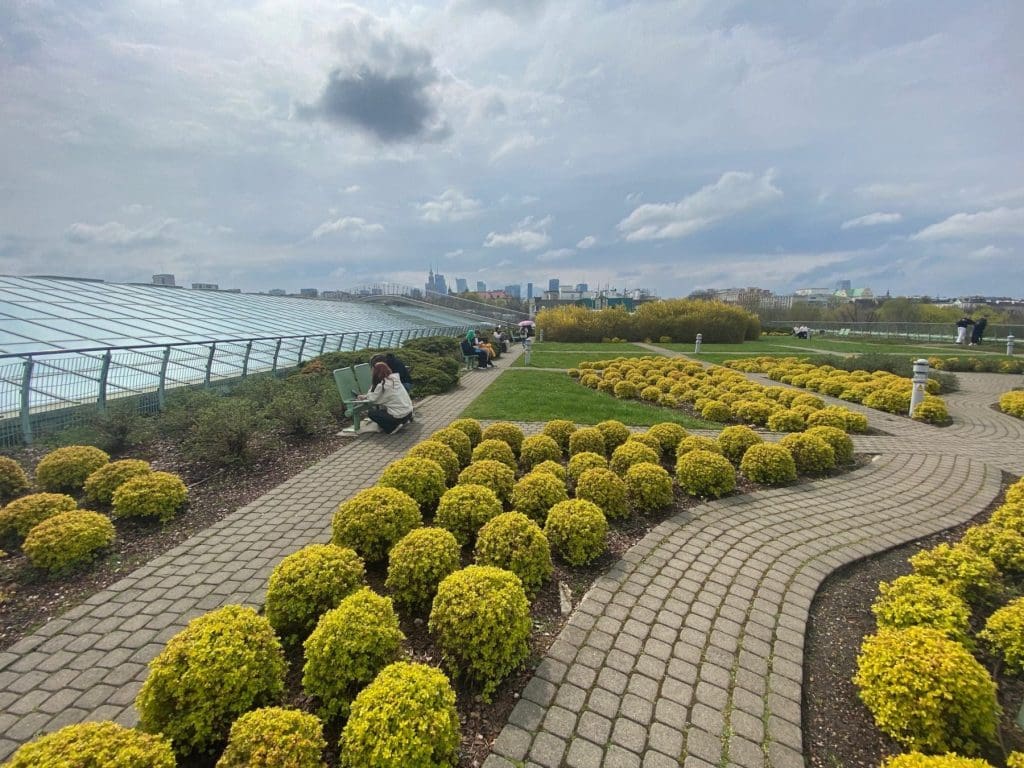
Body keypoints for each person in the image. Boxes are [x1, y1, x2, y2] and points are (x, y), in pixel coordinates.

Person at [358, 362, 414, 433]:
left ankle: (391, 428)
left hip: (399, 415)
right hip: (408, 412)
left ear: (376, 372)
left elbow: (373, 399)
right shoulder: (395, 379)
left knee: (372, 413)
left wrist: (365, 396)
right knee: (383, 410)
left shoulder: (382, 385)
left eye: (372, 371)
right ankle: (403, 422)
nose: (371, 373)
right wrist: (367, 395)